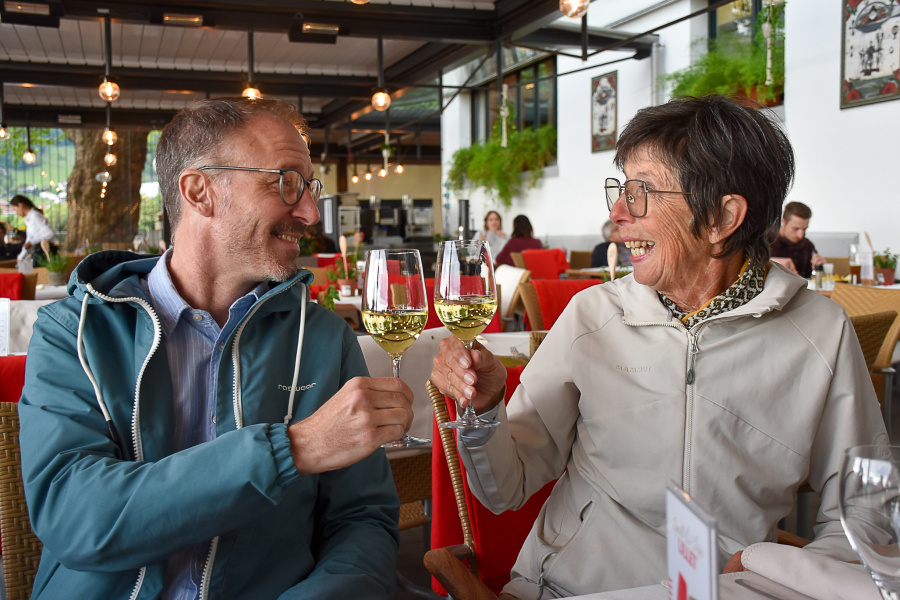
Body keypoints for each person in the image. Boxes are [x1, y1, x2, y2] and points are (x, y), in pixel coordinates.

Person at [430, 95, 887, 598]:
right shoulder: (593, 314)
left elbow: (864, 512)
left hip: (722, 592)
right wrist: (486, 411)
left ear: (722, 217)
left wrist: (776, 573)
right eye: (620, 190)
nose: (617, 212)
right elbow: (504, 489)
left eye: (641, 192)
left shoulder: (820, 330)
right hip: (568, 587)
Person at [19, 97, 413, 599]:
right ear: (200, 191)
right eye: (286, 182)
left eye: (308, 187)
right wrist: (292, 449)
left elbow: (362, 520)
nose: (311, 212)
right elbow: (74, 515)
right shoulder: (73, 332)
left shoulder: (322, 338)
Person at [769, 201, 827, 278]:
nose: (801, 235)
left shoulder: (808, 245)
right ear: (783, 222)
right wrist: (770, 263)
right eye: (796, 229)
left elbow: (811, 278)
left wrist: (820, 269)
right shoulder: (766, 242)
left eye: (804, 229)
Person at [10, 194, 57, 265]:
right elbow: (29, 240)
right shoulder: (28, 219)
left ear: (20, 205)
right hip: (38, 254)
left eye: (15, 209)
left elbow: (49, 233)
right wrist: (20, 257)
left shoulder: (34, 216)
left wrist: (32, 242)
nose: (16, 213)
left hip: (44, 254)